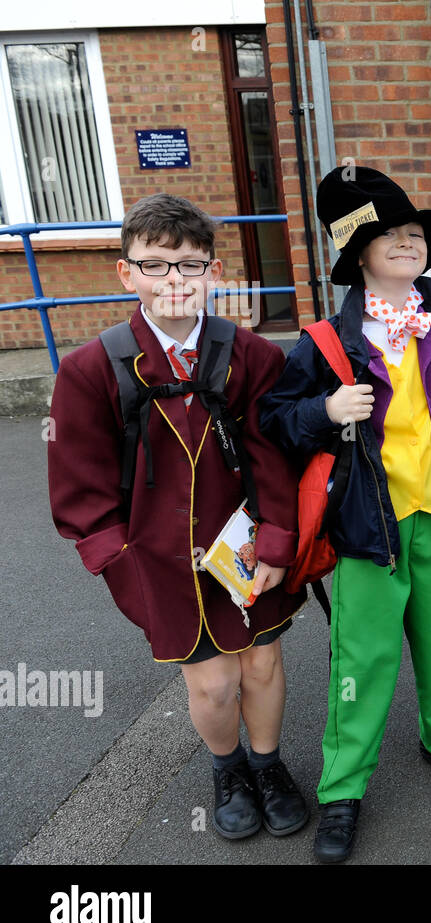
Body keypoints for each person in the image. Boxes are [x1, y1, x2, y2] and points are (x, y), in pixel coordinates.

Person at [48, 193, 309, 841]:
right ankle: (228, 768)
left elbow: (277, 457)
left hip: (247, 547)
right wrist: (122, 563)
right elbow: (79, 485)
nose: (174, 281)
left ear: (214, 273)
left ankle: (269, 764)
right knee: (215, 683)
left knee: (262, 666)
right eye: (156, 265)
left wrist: (277, 540)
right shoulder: (89, 370)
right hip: (160, 560)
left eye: (190, 266)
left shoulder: (253, 354)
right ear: (126, 272)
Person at [259, 166, 431, 863]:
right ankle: (342, 787)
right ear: (358, 253)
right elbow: (278, 419)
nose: (405, 242)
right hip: (370, 521)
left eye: (414, 233)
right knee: (362, 656)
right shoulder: (326, 339)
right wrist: (325, 410)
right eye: (387, 234)